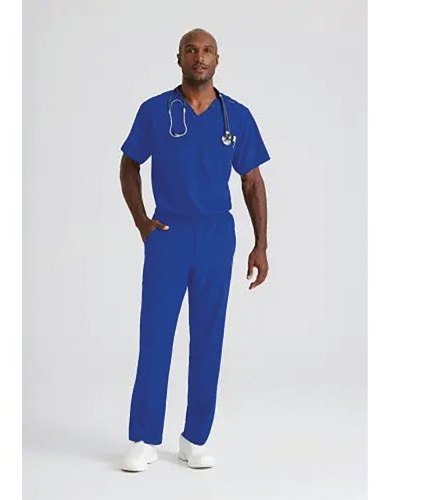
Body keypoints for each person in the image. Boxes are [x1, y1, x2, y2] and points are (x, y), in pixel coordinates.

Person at [119, 28, 271, 472]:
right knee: (155, 335)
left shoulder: (236, 116)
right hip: (168, 233)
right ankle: (144, 438)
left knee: (208, 336)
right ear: (179, 58)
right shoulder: (155, 111)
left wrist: (261, 245)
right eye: (191, 50)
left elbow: (252, 182)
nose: (199, 57)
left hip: (216, 236)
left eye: (207, 51)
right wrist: (142, 221)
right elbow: (129, 164)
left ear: (217, 60)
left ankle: (194, 438)